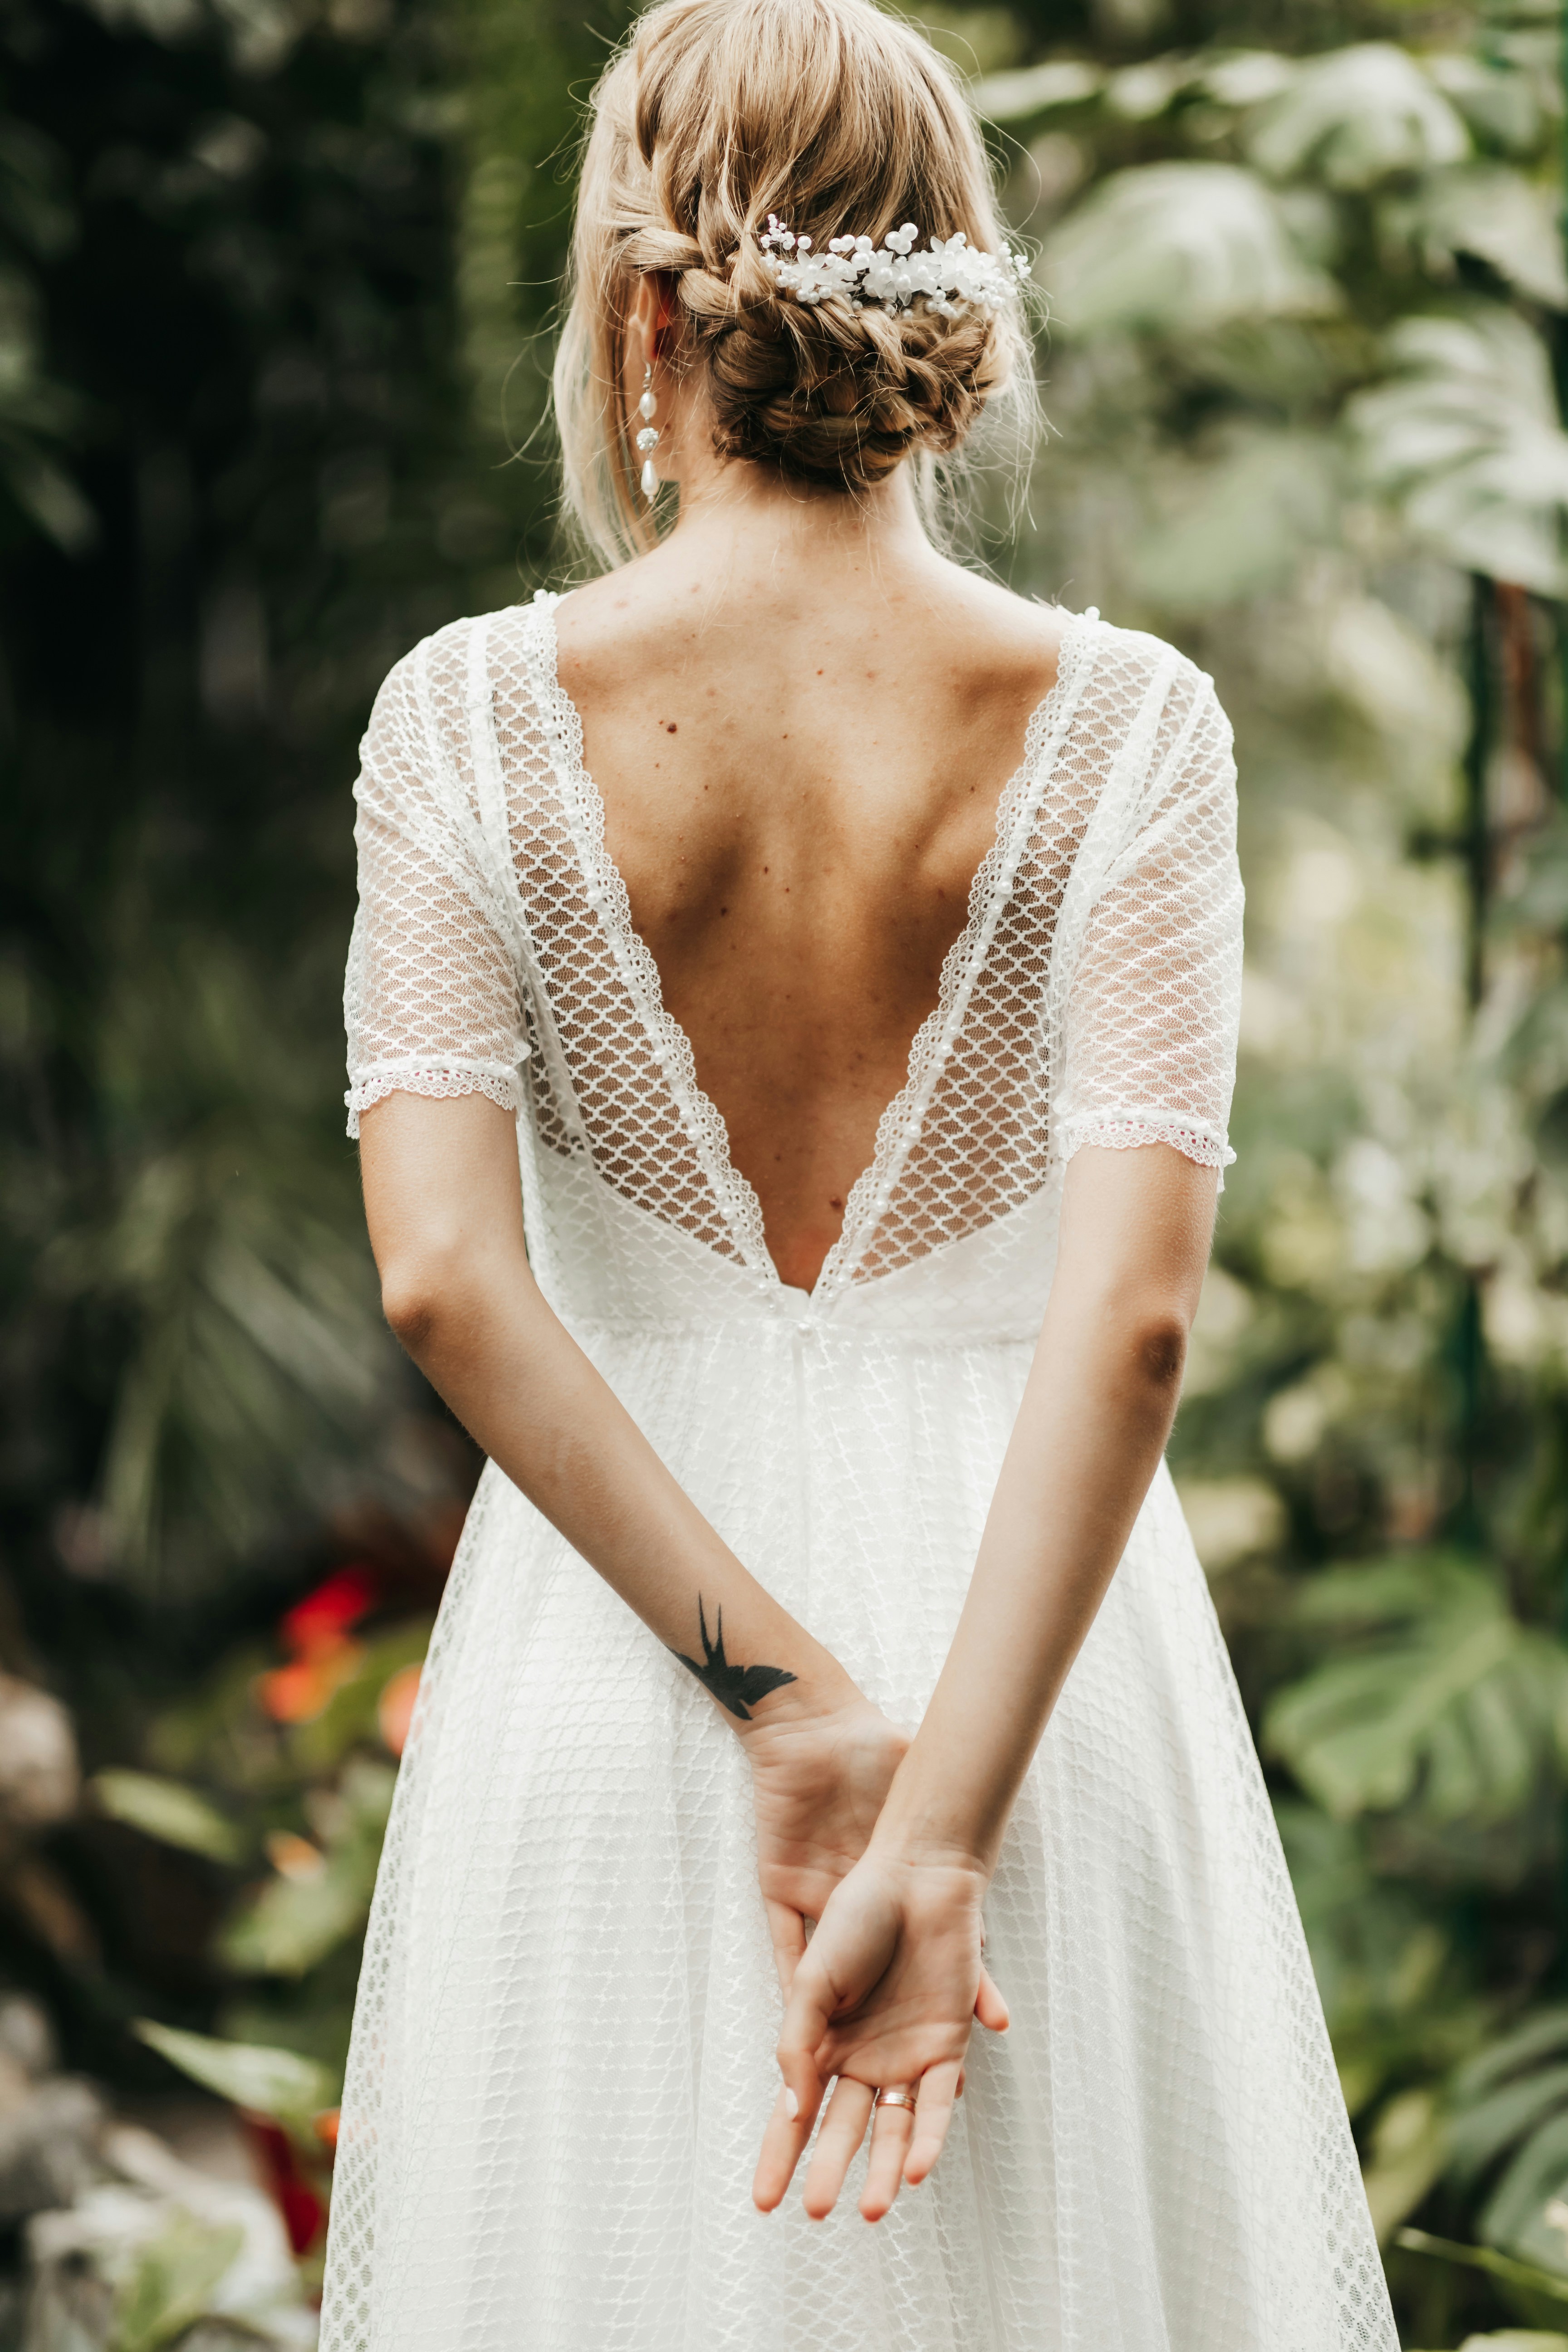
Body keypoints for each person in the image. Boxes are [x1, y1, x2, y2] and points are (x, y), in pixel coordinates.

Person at [319, 1, 1396, 2345]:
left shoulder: (466, 727)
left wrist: (794, 1711)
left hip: (627, 1704)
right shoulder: (1131, 733)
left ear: (646, 316)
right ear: (963, 305)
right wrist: (944, 1820)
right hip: (1037, 1707)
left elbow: (444, 1282)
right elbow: (1131, 1326)